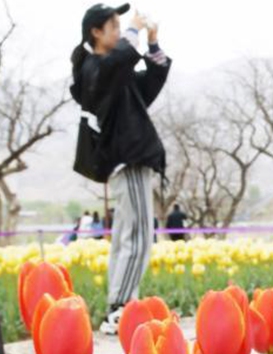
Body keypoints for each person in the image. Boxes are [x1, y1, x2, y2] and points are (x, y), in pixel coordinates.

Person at [71, 3, 171, 335]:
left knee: (127, 235)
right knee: (139, 236)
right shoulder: (93, 69)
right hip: (127, 160)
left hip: (131, 160)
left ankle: (120, 304)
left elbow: (149, 85)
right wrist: (134, 30)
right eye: (113, 26)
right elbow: (116, 62)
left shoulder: (112, 73)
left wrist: (152, 44)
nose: (119, 31)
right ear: (96, 32)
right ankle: (121, 308)